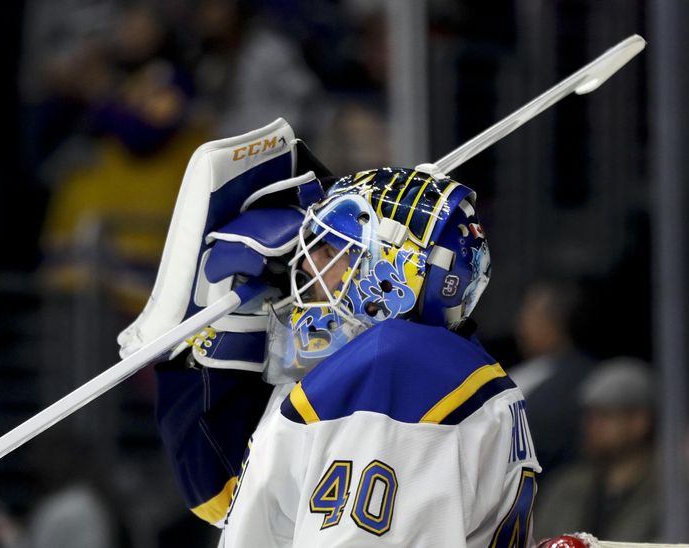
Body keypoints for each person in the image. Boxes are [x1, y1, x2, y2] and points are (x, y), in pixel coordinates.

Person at [130, 132, 541, 546]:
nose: (305, 262)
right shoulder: (422, 366)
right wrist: (219, 338)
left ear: (389, 269)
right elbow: (230, 502)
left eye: (330, 248)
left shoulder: (395, 368)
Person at [532, 358, 660, 542]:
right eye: (589, 415)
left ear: (639, 422)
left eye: (605, 415)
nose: (592, 426)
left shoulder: (670, 493)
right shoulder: (565, 487)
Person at [509, 279, 595, 481]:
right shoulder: (527, 373)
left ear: (555, 322)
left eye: (528, 315)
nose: (520, 326)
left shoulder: (579, 379)